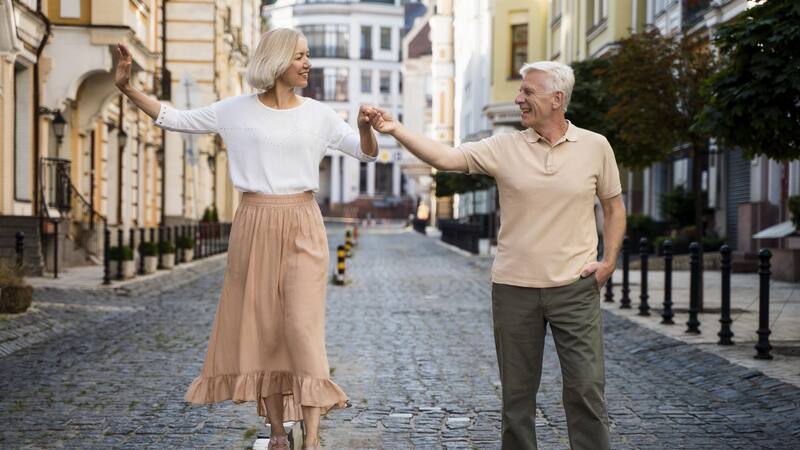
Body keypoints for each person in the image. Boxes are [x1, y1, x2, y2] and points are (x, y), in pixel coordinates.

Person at [114, 28, 379, 450]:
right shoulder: (235, 111)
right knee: (264, 331)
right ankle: (277, 431)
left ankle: (311, 439)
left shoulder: (319, 114)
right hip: (253, 222)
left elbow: (366, 153)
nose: (308, 63)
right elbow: (174, 118)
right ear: (276, 61)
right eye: (299, 56)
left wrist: (366, 127)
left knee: (302, 329)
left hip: (303, 222)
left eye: (308, 55)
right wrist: (128, 89)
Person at [366, 61, 626, 450]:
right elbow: (446, 157)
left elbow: (614, 207)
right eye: (520, 91)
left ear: (557, 99)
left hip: (575, 287)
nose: (519, 99)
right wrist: (395, 129)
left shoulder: (595, 146)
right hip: (514, 288)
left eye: (528, 92)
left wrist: (608, 262)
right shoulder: (504, 146)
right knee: (517, 399)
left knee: (586, 389)